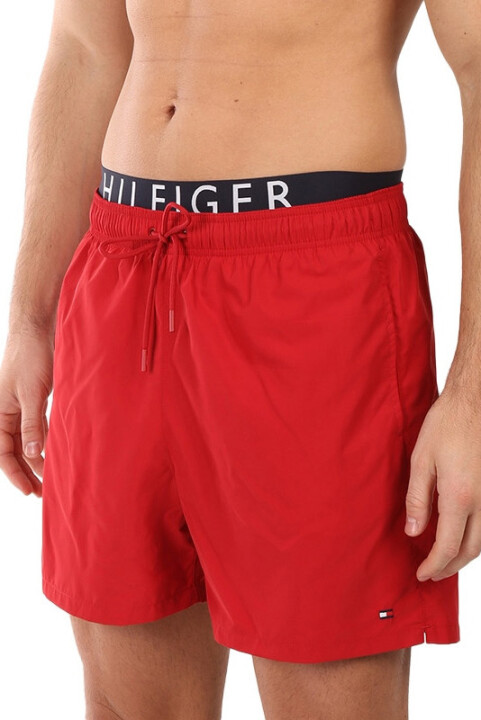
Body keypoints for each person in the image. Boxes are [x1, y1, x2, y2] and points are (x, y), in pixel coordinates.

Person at [0, 0, 479, 717]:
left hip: (312, 282)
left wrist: (472, 393)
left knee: (328, 687)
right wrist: (29, 316)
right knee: (128, 696)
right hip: (121, 265)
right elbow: (85, 48)